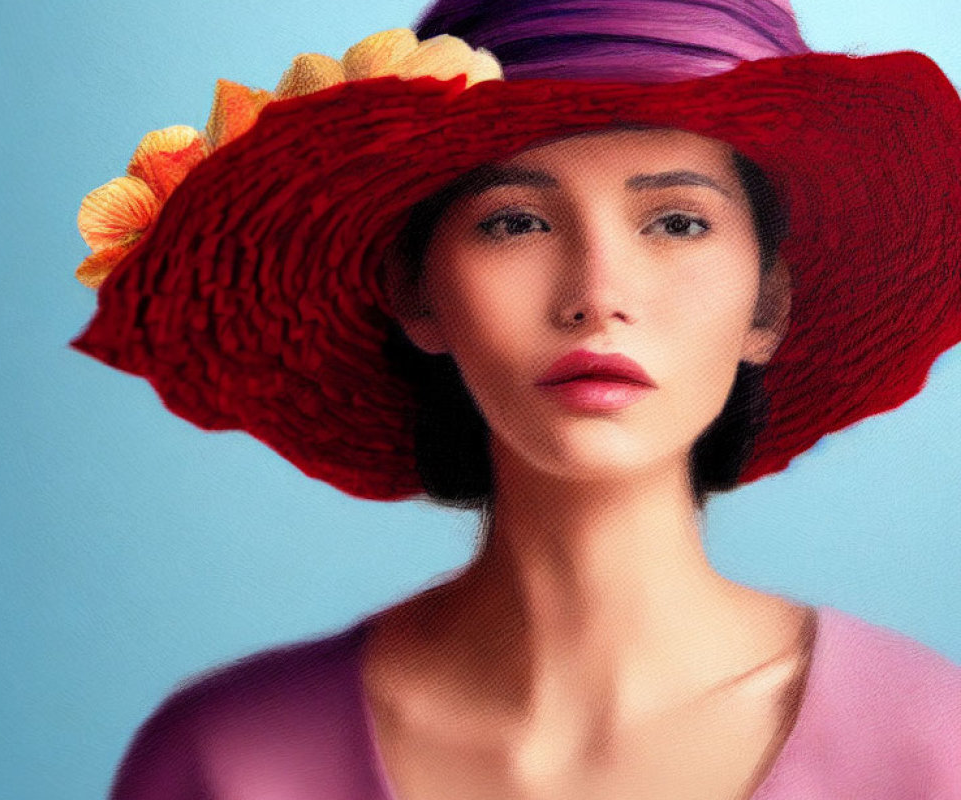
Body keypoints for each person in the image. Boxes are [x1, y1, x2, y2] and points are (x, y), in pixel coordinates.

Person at [70, 1, 961, 798]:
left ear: (768, 304)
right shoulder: (227, 762)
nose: (597, 295)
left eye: (678, 221)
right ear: (417, 293)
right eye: (515, 222)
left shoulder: (933, 749)